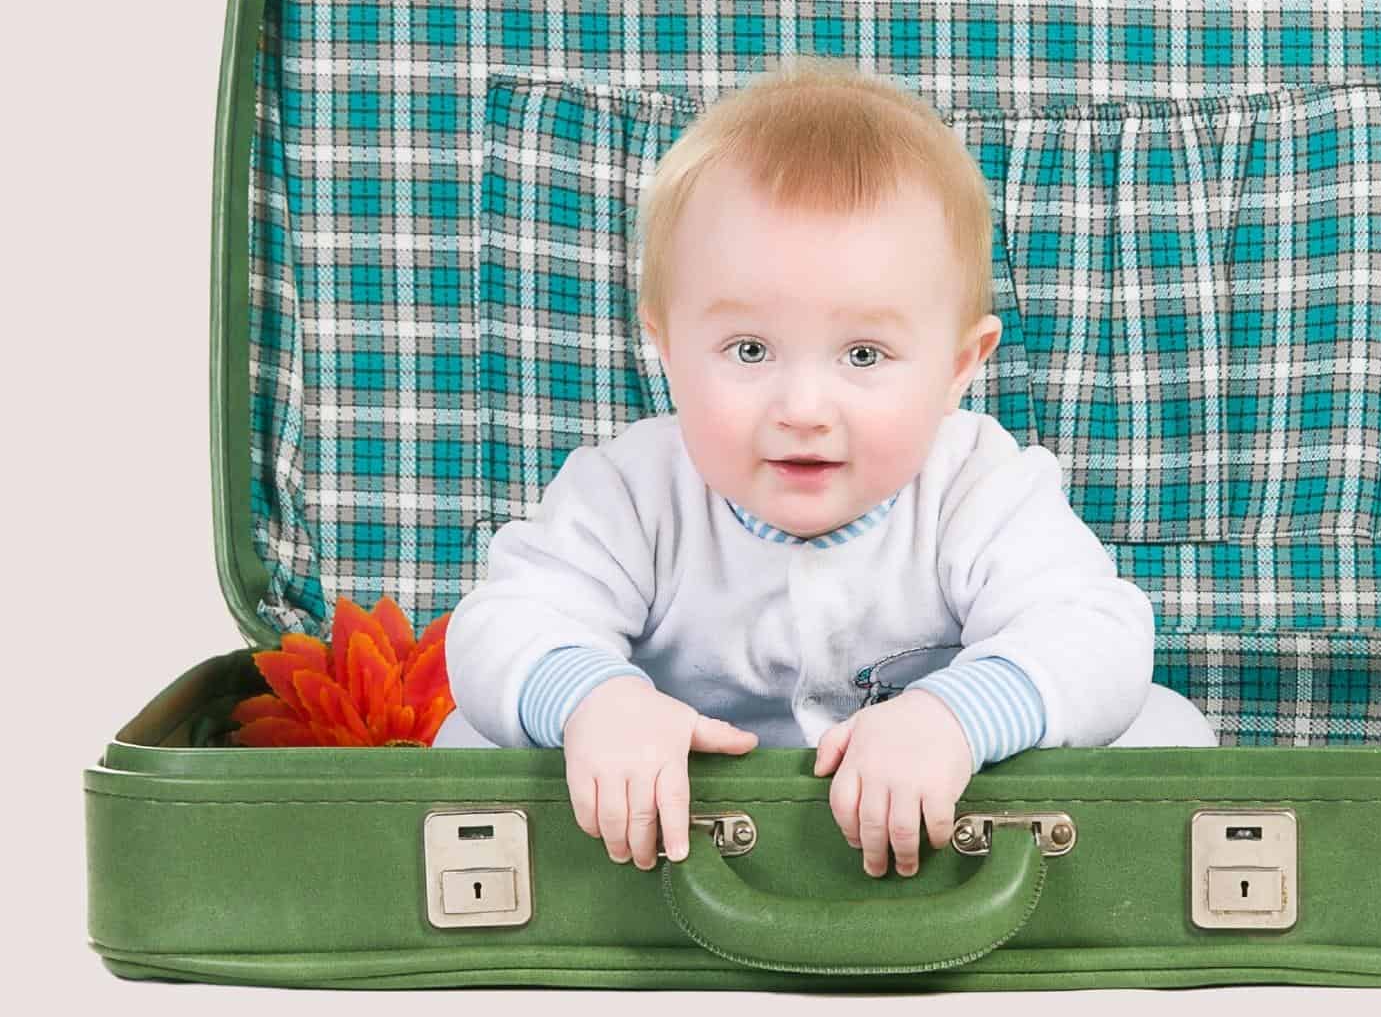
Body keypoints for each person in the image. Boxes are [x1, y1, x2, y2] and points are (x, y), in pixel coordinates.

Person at [440, 54, 1214, 880]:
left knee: (1167, 728)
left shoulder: (979, 483)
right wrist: (599, 701)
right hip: (669, 828)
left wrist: (955, 716)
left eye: (863, 353)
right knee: (464, 739)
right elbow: (503, 621)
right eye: (748, 349)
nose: (803, 406)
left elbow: (1094, 630)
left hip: (940, 813)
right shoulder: (629, 491)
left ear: (960, 365)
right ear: (666, 349)